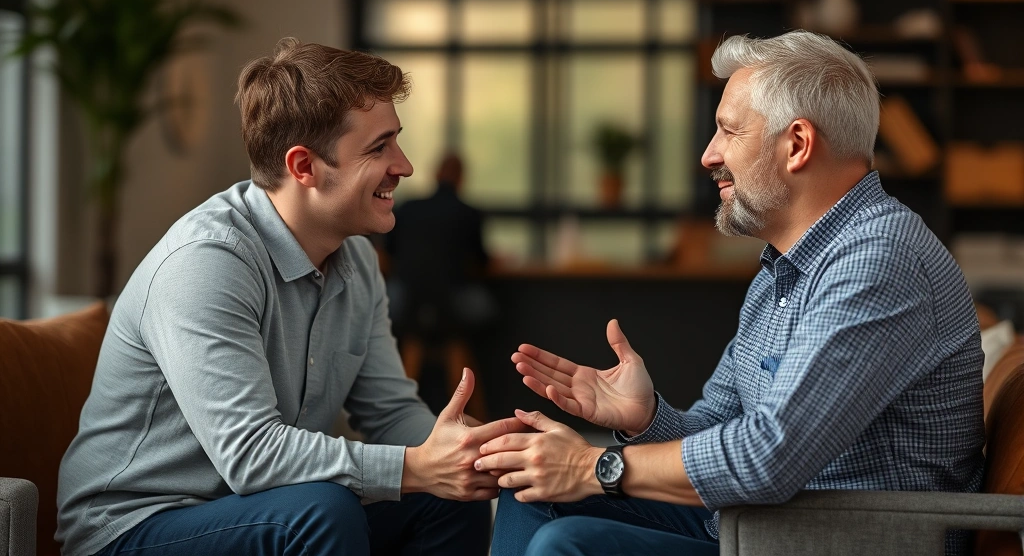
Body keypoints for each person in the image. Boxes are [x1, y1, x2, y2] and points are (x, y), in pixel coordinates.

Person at [478, 30, 985, 556]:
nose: (708, 155)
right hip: (756, 527)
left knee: (570, 542)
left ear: (798, 145)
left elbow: (770, 455)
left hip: (833, 542)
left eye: (727, 131)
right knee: (530, 488)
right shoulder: (784, 268)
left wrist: (594, 465)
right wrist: (647, 418)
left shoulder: (878, 260)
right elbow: (716, 429)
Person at [55, 38, 525, 556]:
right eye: (378, 147)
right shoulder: (207, 262)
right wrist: (416, 468)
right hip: (136, 525)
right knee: (324, 509)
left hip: (259, 507)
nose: (405, 165)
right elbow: (251, 455)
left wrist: (475, 450)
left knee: (453, 494)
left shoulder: (358, 263)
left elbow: (391, 415)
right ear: (304, 167)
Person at [384, 153, 496, 418]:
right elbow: (481, 260)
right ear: (460, 179)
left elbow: (389, 254)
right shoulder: (469, 213)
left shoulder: (408, 208)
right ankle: (475, 418)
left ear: (435, 174)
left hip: (410, 304)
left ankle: (395, 418)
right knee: (481, 316)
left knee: (410, 330)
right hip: (453, 307)